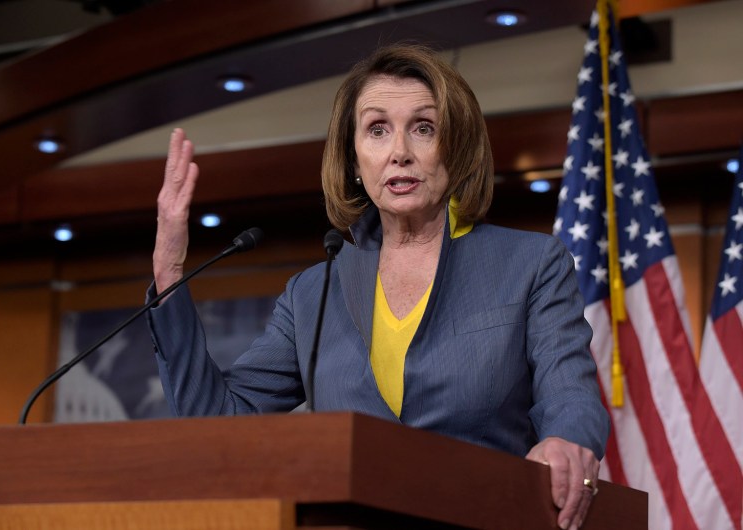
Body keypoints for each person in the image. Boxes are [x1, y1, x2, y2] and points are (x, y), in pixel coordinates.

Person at [148, 44, 609, 530]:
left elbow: (570, 395)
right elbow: (221, 424)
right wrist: (169, 273)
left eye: (424, 128)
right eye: (377, 130)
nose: (400, 153)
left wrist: (566, 441)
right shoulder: (312, 294)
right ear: (353, 160)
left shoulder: (530, 264)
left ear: (458, 147)